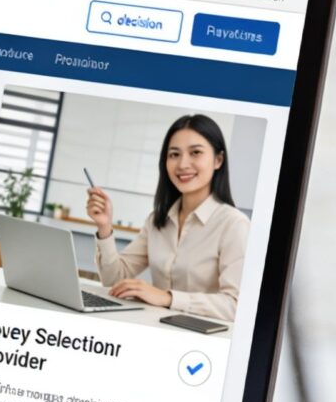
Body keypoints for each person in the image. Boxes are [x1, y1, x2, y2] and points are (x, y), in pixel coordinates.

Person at [84, 114, 250, 320]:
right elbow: (113, 279)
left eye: (196, 152)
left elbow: (236, 305)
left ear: (218, 160)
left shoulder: (233, 224)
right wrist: (104, 226)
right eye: (174, 154)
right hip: (157, 327)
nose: (182, 164)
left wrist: (168, 298)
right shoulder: (157, 220)